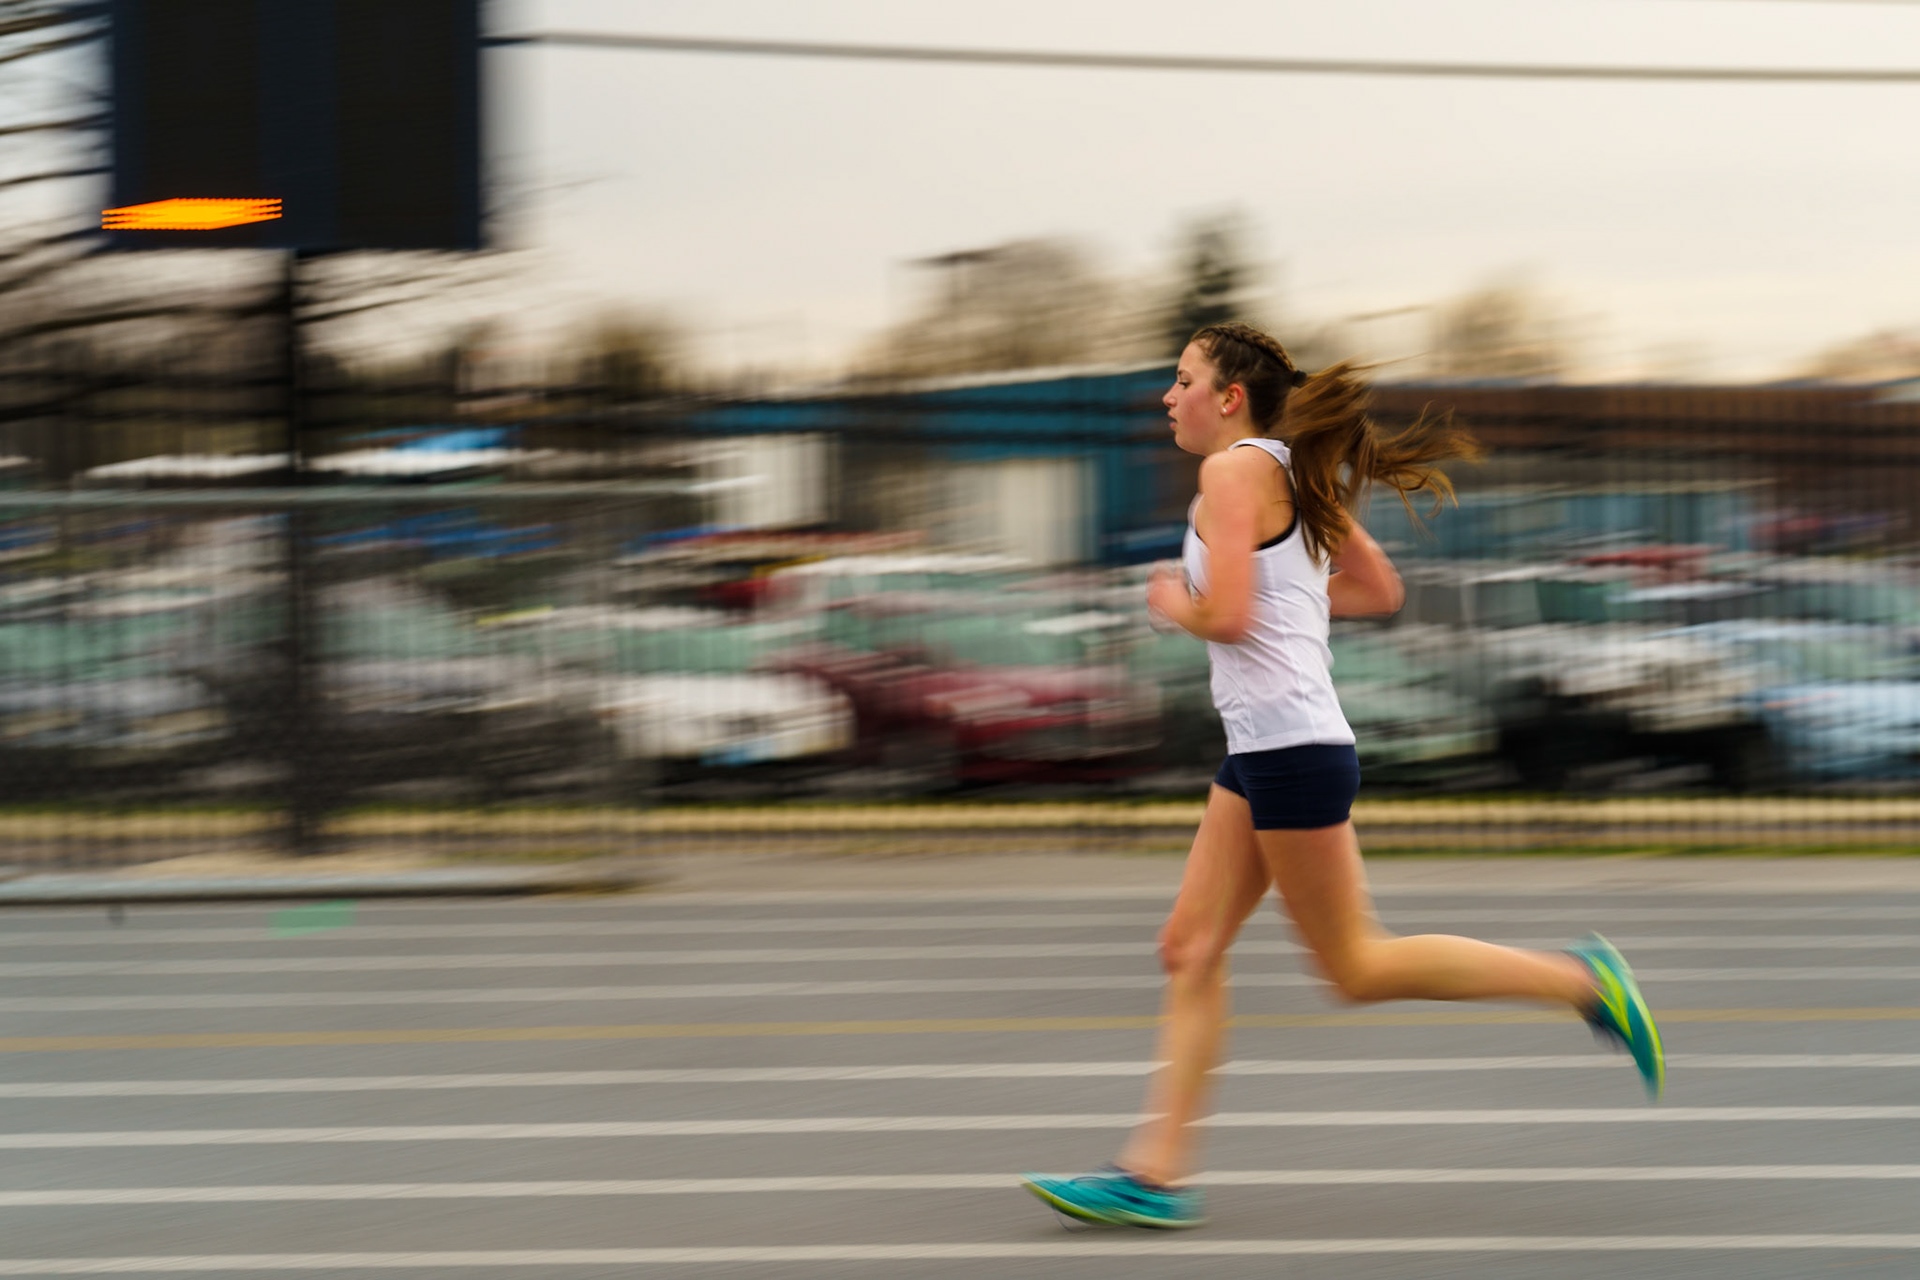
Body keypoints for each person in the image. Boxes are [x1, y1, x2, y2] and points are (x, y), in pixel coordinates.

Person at [1021, 322, 1663, 1231]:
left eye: (1182, 379)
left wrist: (1175, 602)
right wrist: (1285, 598)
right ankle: (1153, 1175)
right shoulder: (1292, 473)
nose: (1168, 396)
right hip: (1265, 749)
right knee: (1189, 947)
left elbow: (1229, 615)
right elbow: (1378, 589)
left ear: (1229, 398)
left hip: (1290, 751)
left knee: (1355, 965)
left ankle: (1585, 982)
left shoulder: (1233, 473)